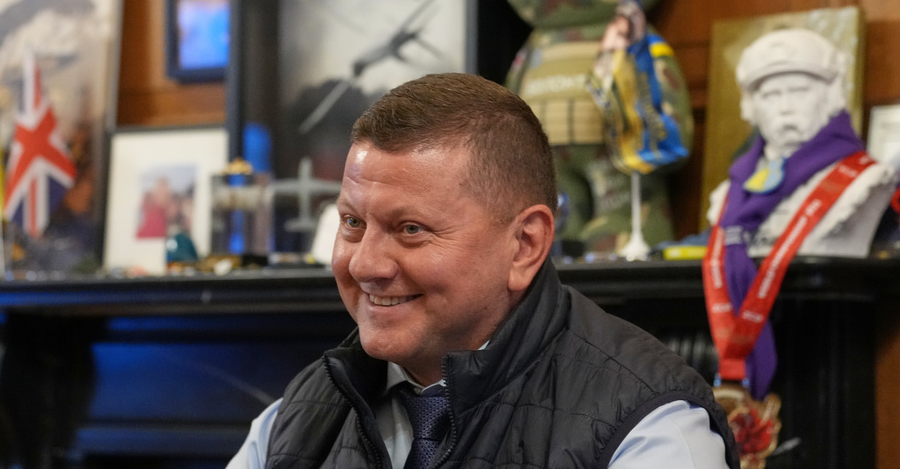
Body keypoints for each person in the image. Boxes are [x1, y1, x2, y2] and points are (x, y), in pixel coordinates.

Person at [229, 72, 737, 468]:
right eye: (352, 222)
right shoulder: (296, 419)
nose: (364, 264)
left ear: (524, 244)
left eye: (410, 229)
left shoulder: (649, 428)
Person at [707, 28, 898, 258]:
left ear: (830, 97)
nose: (785, 107)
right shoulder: (733, 189)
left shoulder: (867, 180)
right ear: (751, 106)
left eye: (799, 92)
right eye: (771, 96)